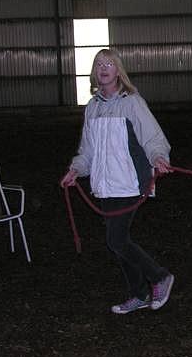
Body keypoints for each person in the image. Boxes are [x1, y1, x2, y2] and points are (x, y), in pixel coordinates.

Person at [60, 49, 175, 315]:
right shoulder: (93, 107)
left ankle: (159, 277)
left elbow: (152, 136)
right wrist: (75, 170)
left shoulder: (132, 102)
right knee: (117, 241)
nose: (104, 68)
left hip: (131, 181)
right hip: (106, 184)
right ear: (94, 71)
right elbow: (88, 148)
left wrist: (158, 157)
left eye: (109, 63)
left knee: (117, 239)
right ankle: (140, 294)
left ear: (118, 71)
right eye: (99, 64)